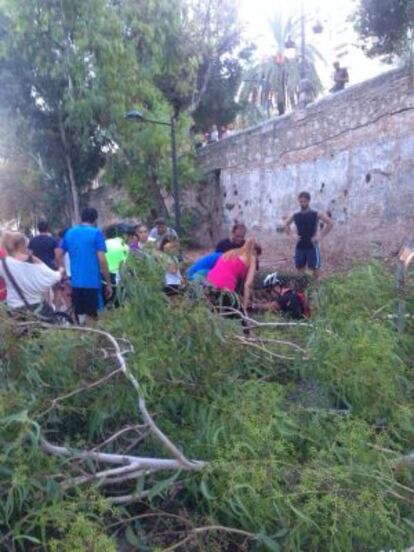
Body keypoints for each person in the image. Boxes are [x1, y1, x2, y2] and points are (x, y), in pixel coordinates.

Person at [57, 207, 112, 324]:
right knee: (94, 316)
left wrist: (65, 275)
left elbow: (58, 255)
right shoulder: (96, 233)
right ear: (95, 220)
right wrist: (108, 283)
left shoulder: (69, 233)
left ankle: (85, 337)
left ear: (81, 218)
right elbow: (102, 259)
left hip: (76, 282)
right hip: (92, 283)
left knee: (83, 315)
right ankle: (94, 340)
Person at [0, 231, 63, 313]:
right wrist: (60, 271)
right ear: (22, 245)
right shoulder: (32, 260)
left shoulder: (2, 263)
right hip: (35, 308)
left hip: (13, 309)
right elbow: (53, 276)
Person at [284, 191, 333, 277]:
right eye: (301, 201)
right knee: (299, 269)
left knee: (315, 270)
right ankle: (302, 288)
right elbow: (286, 224)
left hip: (312, 245)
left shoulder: (315, 214)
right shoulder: (296, 214)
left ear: (308, 201)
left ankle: (317, 289)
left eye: (304, 201)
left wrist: (320, 236)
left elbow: (330, 223)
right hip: (300, 246)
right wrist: (292, 235)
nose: (302, 203)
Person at [207, 238, 259, 311]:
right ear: (255, 252)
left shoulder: (232, 252)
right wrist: (245, 306)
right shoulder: (252, 257)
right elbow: (248, 284)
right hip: (224, 288)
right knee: (237, 315)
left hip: (209, 282)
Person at [104, 224, 130, 304]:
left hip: (104, 278)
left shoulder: (103, 244)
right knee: (121, 304)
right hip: (120, 279)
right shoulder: (124, 245)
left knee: (108, 306)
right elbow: (127, 264)